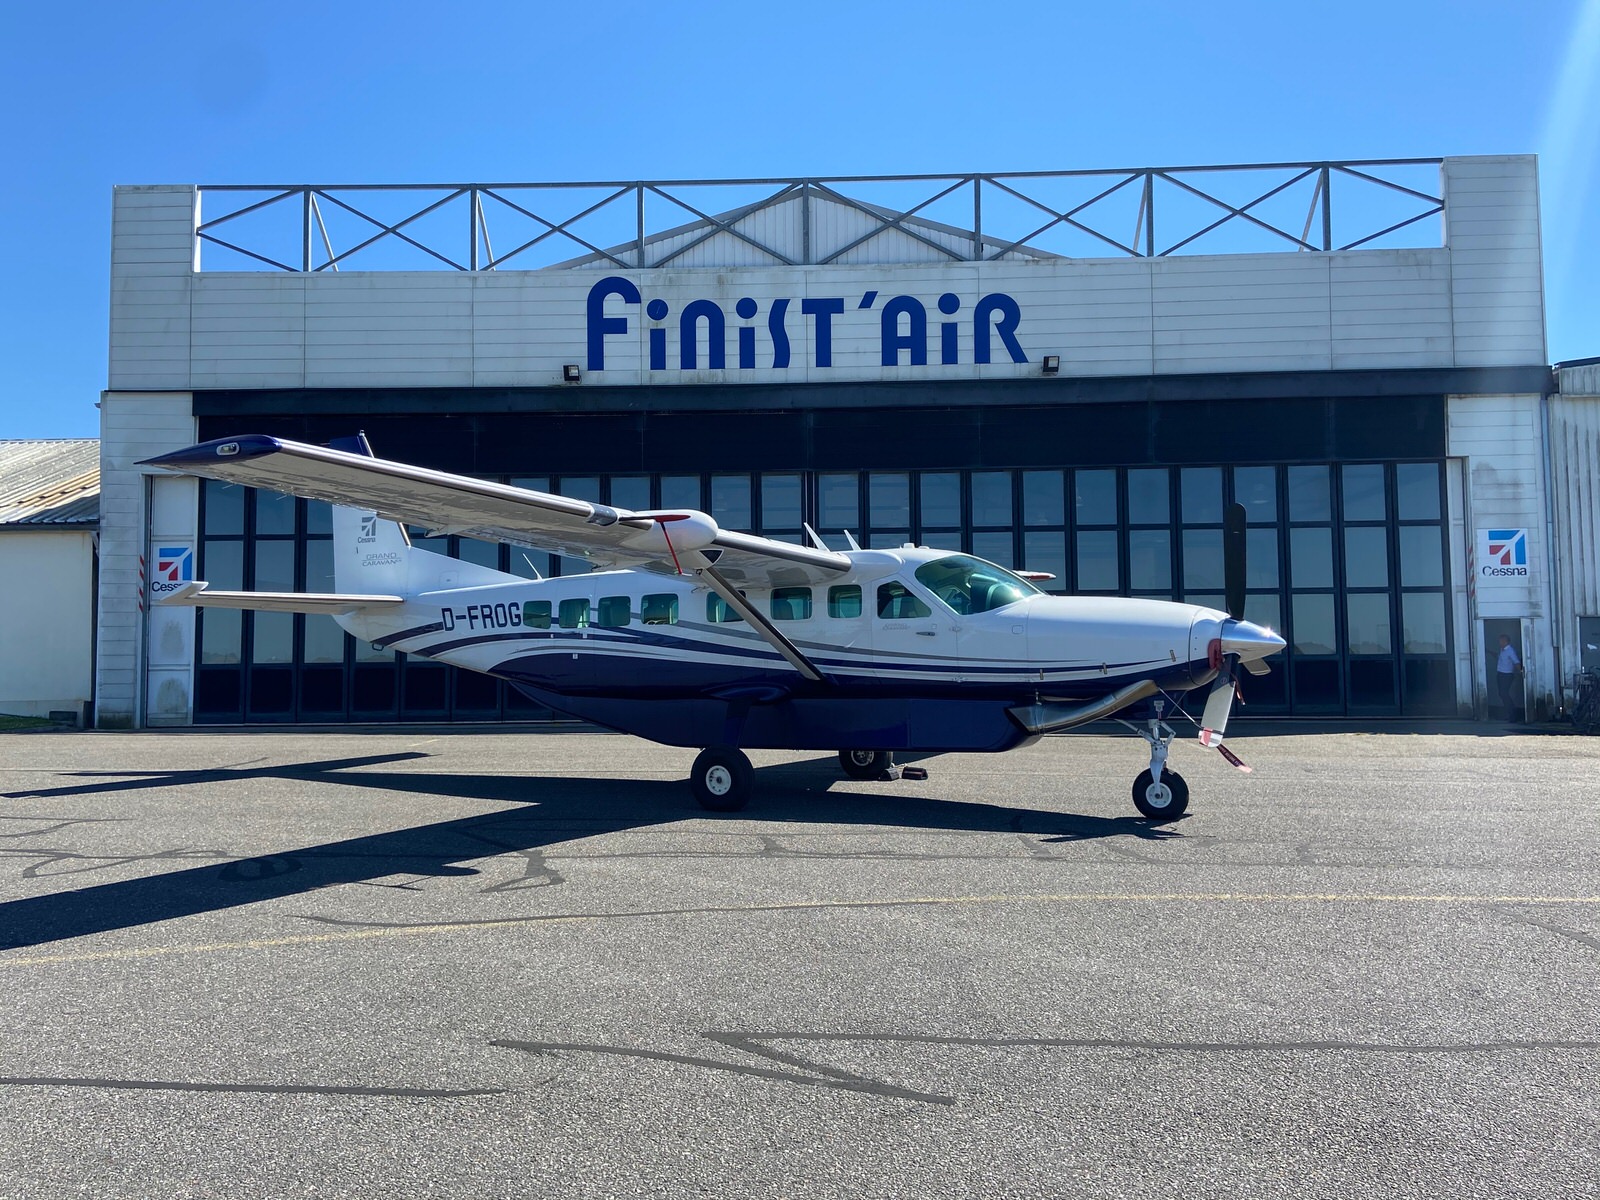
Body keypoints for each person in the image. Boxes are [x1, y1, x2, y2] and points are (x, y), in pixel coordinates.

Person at [1495, 634, 1523, 721]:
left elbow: (1516, 662)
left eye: (1500, 640)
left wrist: (1521, 673)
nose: (1499, 642)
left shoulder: (1510, 651)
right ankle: (1509, 714)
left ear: (1505, 641)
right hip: (1501, 674)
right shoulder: (1502, 650)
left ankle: (1513, 714)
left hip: (1506, 675)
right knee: (1502, 694)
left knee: (1504, 694)